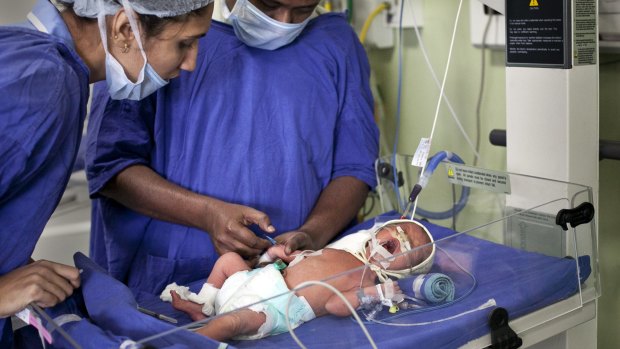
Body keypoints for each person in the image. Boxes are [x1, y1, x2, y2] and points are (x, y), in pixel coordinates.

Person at [85, 0, 379, 297]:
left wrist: (314, 233)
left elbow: (354, 166)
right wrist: (206, 214)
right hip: (172, 277)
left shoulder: (336, 44)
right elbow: (111, 166)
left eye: (302, 11)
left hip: (292, 282)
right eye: (269, 5)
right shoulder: (156, 29)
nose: (283, 22)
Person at [0, 0, 214, 346]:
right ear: (125, 29)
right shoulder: (46, 83)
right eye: (184, 43)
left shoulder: (23, 55)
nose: (190, 63)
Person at [162, 219, 436, 342]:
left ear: (404, 271)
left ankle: (191, 341)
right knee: (228, 261)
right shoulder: (340, 251)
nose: (401, 237)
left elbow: (335, 306)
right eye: (399, 230)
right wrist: (276, 254)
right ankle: (205, 304)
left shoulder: (367, 279)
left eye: (409, 245)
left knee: (231, 322)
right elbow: (292, 263)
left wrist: (376, 293)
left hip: (273, 308)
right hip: (258, 279)